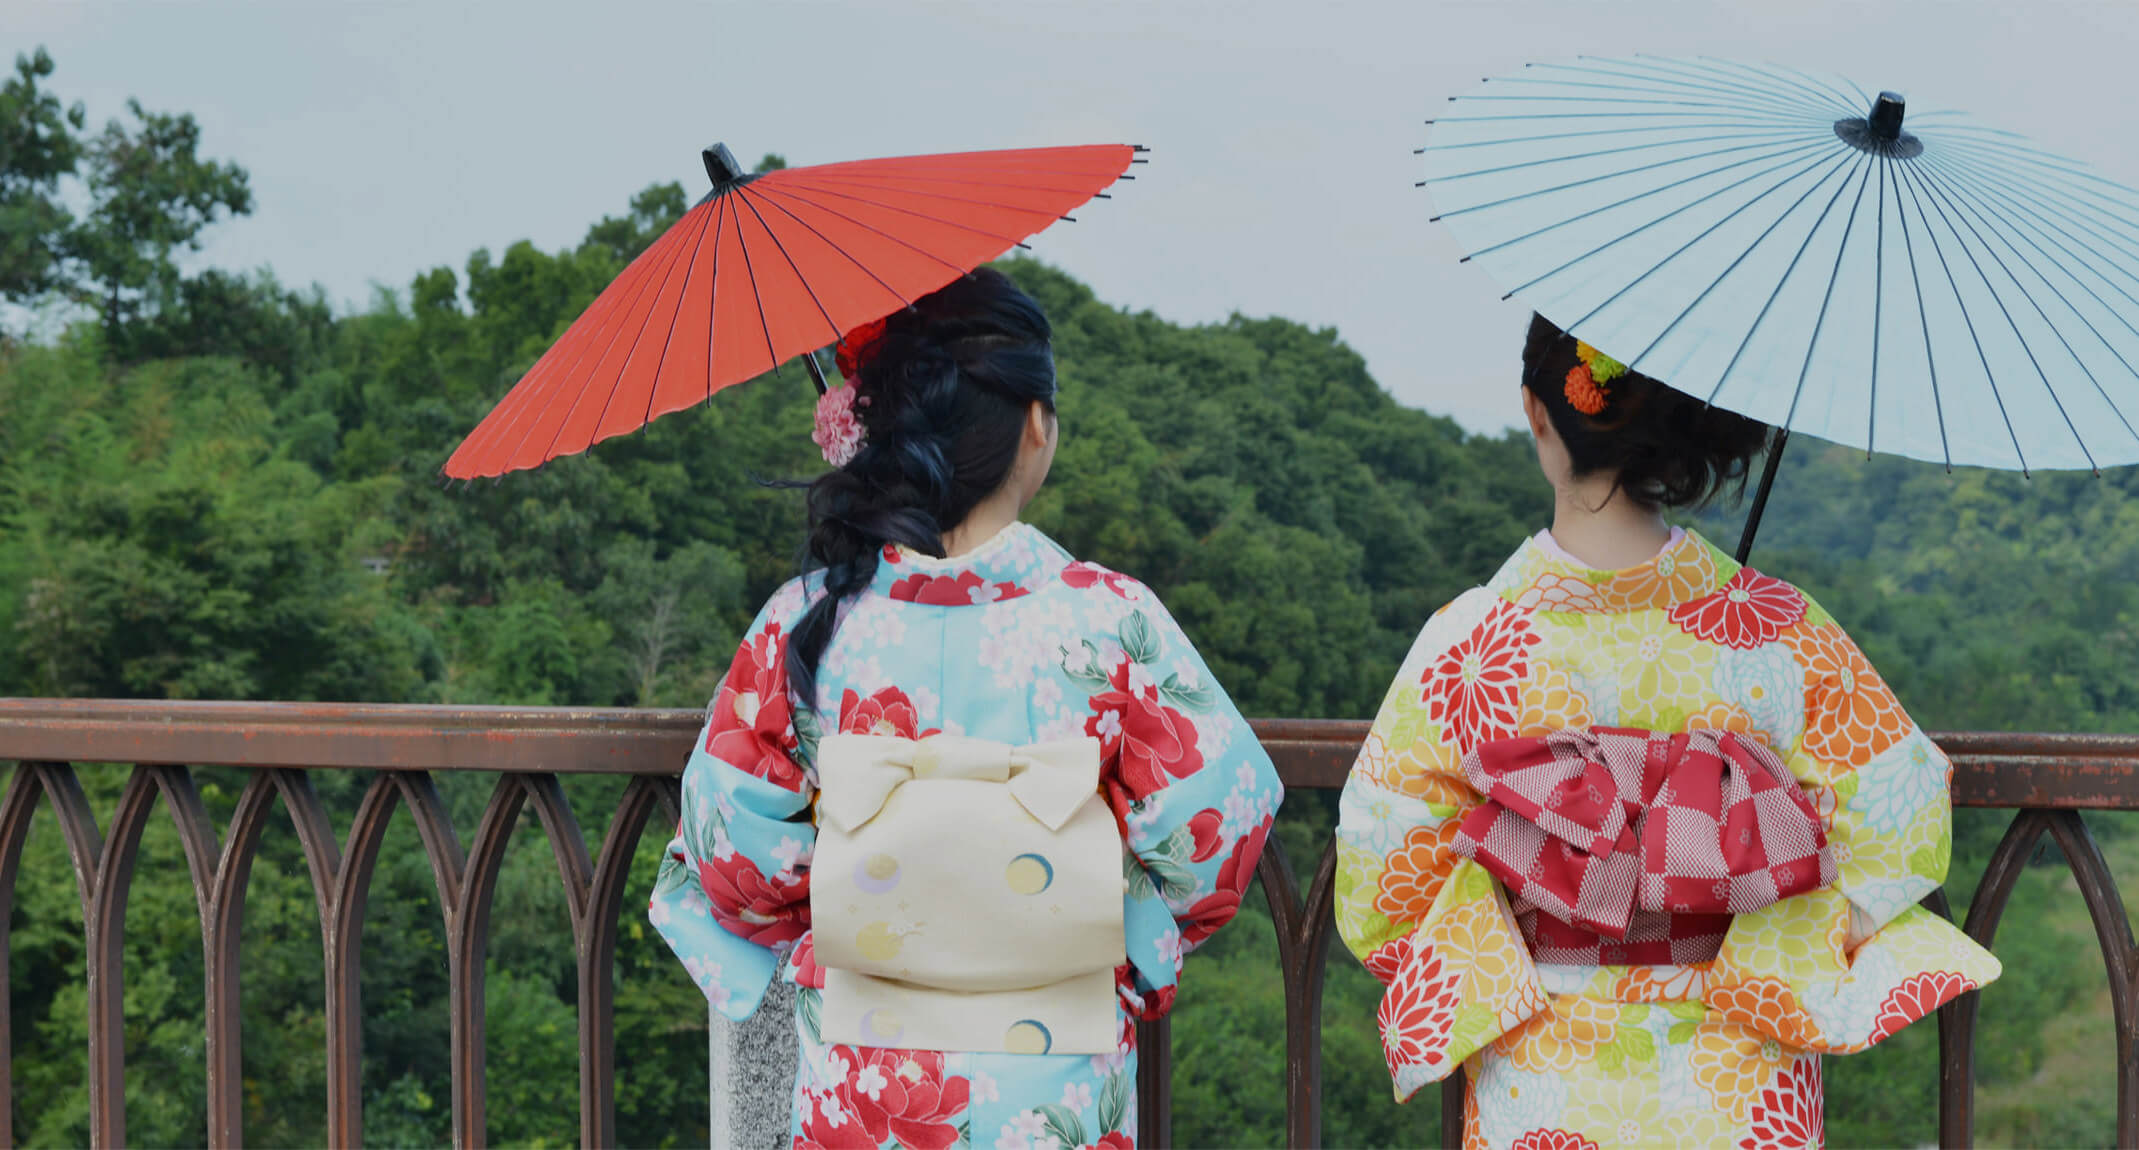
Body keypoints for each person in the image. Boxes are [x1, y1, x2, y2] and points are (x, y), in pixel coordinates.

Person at [650, 268, 1283, 1150]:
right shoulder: (1112, 622)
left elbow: (730, 858)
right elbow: (1217, 834)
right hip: (1055, 1090)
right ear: (1035, 424)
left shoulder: (806, 621)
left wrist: (854, 900)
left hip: (866, 1085)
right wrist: (1098, 914)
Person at [1334, 314, 2000, 1148]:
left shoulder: (1468, 643)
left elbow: (1383, 871)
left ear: (1536, 412)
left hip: (1540, 1070)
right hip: (1741, 1071)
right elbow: (1901, 818)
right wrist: (1760, 942)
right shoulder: (1777, 627)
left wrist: (1522, 934)